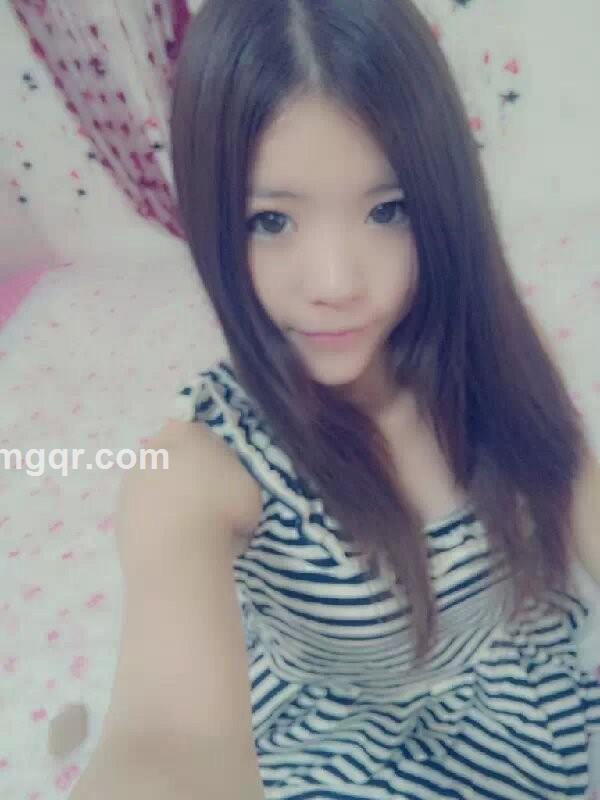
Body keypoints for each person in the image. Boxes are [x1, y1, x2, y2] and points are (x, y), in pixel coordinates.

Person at [70, 2, 600, 799]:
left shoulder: (483, 354)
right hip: (338, 745)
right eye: (271, 220)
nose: (337, 283)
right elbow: (165, 744)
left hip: (520, 715)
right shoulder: (200, 467)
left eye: (388, 210)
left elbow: (575, 485)